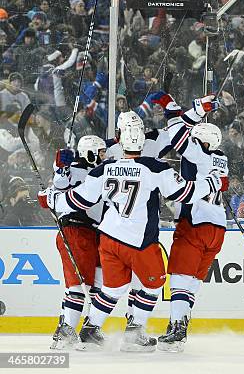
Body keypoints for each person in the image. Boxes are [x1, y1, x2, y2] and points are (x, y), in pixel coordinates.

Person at [37, 112, 228, 352]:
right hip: (138, 241)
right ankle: (134, 334)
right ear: (142, 143)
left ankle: (90, 329)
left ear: (120, 140)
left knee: (113, 288)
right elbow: (184, 193)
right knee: (154, 284)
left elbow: (79, 199)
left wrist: (52, 198)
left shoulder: (105, 168)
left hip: (107, 238)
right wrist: (213, 183)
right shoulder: (155, 167)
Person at [154, 95, 229, 352]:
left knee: (179, 278)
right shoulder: (221, 160)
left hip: (195, 223)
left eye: (197, 137)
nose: (193, 140)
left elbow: (177, 137)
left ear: (204, 141)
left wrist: (181, 112)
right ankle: (181, 324)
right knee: (193, 282)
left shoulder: (200, 155)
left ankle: (177, 329)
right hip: (218, 228)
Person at [48, 135, 107, 349]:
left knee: (96, 285)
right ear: (90, 152)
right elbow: (59, 183)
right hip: (76, 231)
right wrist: (60, 166)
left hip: (94, 233)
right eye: (100, 152)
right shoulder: (75, 168)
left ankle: (86, 330)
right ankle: (65, 333)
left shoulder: (98, 171)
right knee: (77, 286)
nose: (103, 156)